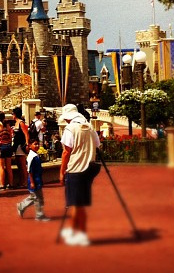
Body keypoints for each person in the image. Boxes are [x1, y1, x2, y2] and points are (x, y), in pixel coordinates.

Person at [59, 103, 101, 247]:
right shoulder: (89, 127)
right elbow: (97, 144)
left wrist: (61, 171)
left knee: (75, 204)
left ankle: (76, 232)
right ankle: (79, 231)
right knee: (80, 203)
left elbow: (66, 152)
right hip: (89, 168)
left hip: (76, 169)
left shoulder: (70, 129)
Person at [16, 138, 51, 221]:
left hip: (37, 179)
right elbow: (30, 171)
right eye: (35, 144)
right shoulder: (32, 156)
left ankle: (21, 206)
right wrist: (32, 182)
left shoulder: (35, 155)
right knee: (37, 198)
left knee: (35, 197)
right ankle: (39, 215)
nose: (37, 146)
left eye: (38, 144)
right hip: (34, 180)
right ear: (30, 146)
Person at [0, 111, 14, 191]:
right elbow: (10, 134)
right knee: (9, 166)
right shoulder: (7, 125)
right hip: (8, 146)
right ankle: (11, 184)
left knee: (1, 167)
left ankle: (2, 184)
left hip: (1, 146)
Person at [12, 107, 29, 188]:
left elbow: (26, 133)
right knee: (18, 164)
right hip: (16, 145)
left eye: (13, 114)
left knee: (22, 165)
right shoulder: (16, 123)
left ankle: (25, 182)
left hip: (21, 145)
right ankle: (21, 181)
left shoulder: (21, 123)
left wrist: (27, 143)